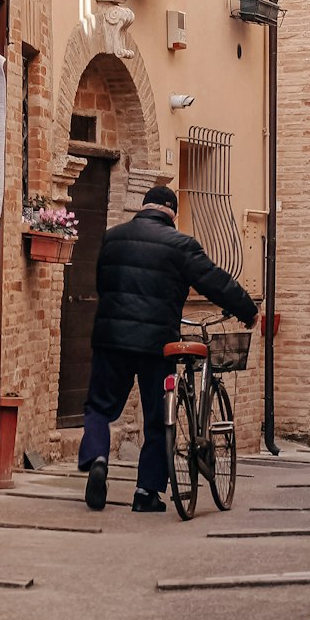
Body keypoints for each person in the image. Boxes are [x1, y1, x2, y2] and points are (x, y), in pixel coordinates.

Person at [78, 185, 258, 513]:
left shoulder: (112, 238)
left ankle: (98, 459)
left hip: (111, 338)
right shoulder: (180, 244)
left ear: (144, 206)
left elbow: (102, 284)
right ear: (171, 212)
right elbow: (213, 280)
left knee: (99, 408)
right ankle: (146, 492)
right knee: (159, 417)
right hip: (157, 344)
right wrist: (247, 309)